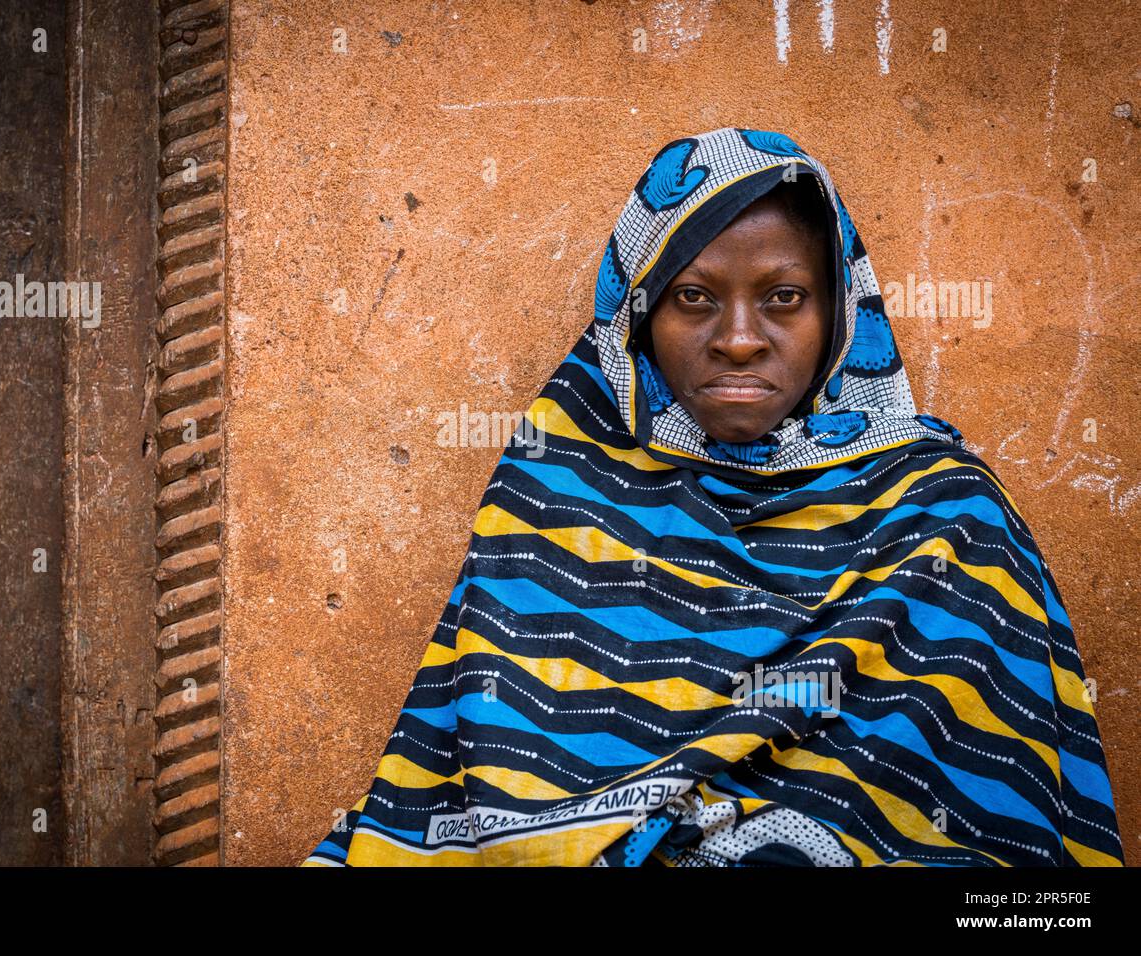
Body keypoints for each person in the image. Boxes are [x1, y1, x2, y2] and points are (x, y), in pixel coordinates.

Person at [301, 127, 1123, 867]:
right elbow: (483, 761)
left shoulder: (944, 515)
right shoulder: (558, 477)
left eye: (783, 298)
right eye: (694, 297)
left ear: (841, 313)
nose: (737, 337)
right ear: (640, 315)